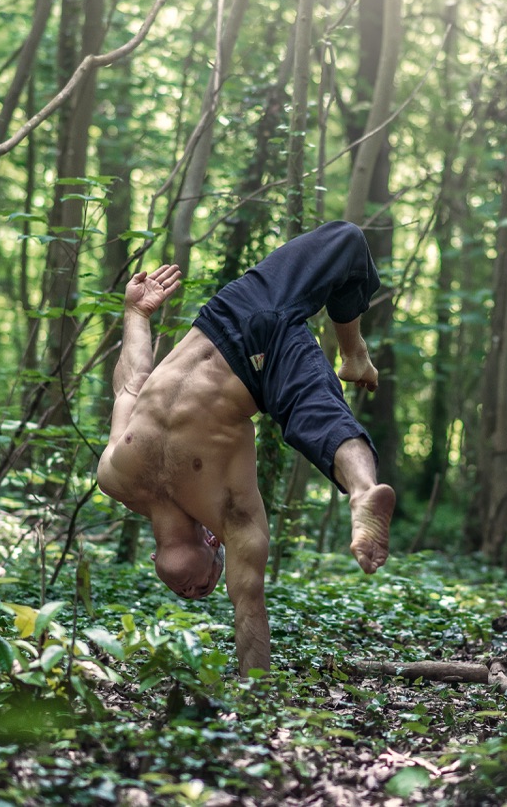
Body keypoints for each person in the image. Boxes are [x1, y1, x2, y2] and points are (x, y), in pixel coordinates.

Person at [97, 221, 396, 674]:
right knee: (346, 241)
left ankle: (360, 484)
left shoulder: (226, 514)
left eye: (201, 585)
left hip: (254, 354)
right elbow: (129, 386)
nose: (199, 586)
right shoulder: (115, 476)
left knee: (315, 414)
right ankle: (354, 382)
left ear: (210, 545)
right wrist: (136, 316)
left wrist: (253, 690)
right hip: (227, 319)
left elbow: (248, 607)